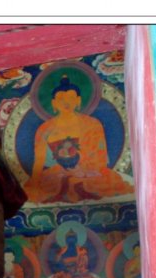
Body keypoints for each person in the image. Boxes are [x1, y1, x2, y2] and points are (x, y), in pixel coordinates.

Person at [24, 76, 132, 204]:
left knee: (98, 183)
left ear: (78, 100)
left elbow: (101, 159)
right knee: (48, 185)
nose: (66, 102)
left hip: (89, 172)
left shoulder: (92, 124)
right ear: (54, 103)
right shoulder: (45, 129)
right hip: (58, 172)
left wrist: (83, 171)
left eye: (71, 97)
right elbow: (39, 161)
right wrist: (35, 182)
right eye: (61, 99)